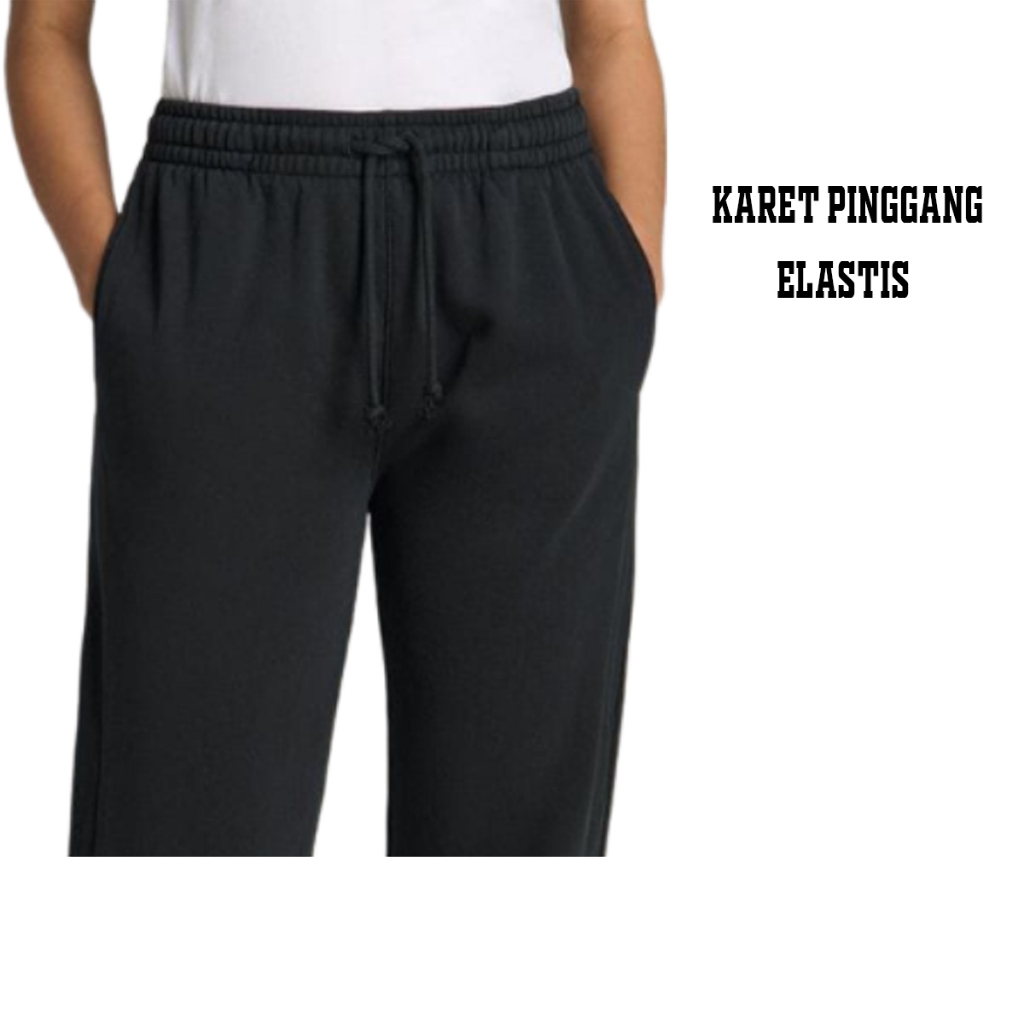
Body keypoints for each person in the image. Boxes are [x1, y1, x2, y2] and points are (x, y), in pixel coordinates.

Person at [7, 0, 666, 856]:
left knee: (517, 847)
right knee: (183, 830)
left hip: (529, 251)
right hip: (230, 254)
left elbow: (611, 30)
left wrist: (626, 277)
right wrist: (122, 288)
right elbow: (46, 31)